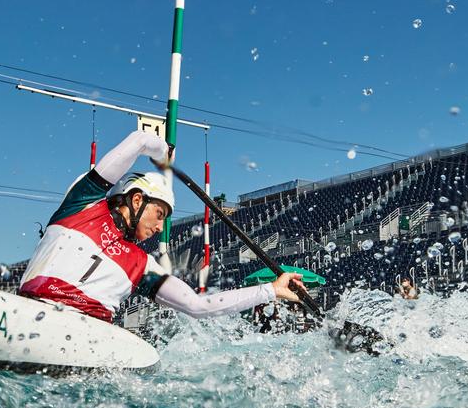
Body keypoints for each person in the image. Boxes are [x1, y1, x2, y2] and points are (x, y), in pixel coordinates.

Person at [20, 130, 306, 322]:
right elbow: (138, 140)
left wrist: (271, 290)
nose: (160, 227)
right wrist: (161, 152)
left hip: (88, 332)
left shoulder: (143, 264)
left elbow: (197, 306)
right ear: (136, 200)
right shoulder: (84, 203)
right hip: (33, 310)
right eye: (159, 214)